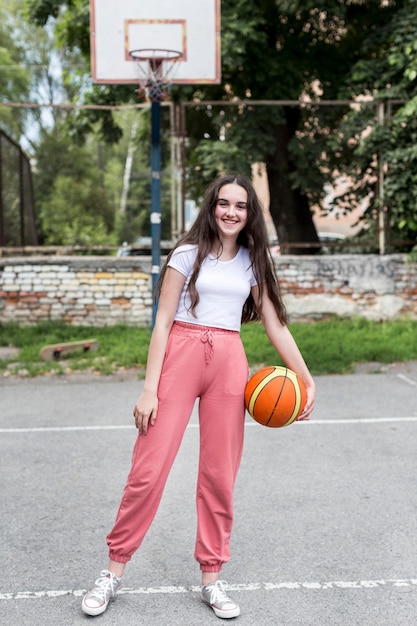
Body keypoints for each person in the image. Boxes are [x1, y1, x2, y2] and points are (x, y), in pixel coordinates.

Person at [81, 174, 315, 619]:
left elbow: (274, 324)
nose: (230, 211)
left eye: (240, 206)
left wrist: (307, 379)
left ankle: (212, 577)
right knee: (148, 471)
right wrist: (150, 388)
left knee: (219, 476)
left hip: (229, 361)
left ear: (250, 215)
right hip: (182, 356)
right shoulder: (187, 255)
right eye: (223, 203)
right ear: (210, 207)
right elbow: (163, 322)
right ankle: (112, 572)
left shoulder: (252, 261)